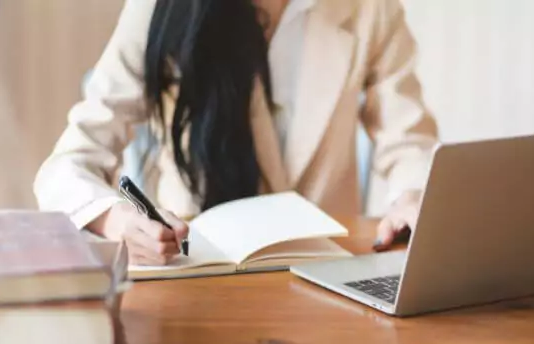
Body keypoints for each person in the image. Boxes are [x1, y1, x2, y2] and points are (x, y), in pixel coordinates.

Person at [34, 0, 439, 266]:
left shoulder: (369, 8)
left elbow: (408, 141)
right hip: (198, 271)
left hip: (326, 272)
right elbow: (67, 166)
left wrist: (412, 195)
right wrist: (117, 221)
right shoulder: (160, 9)